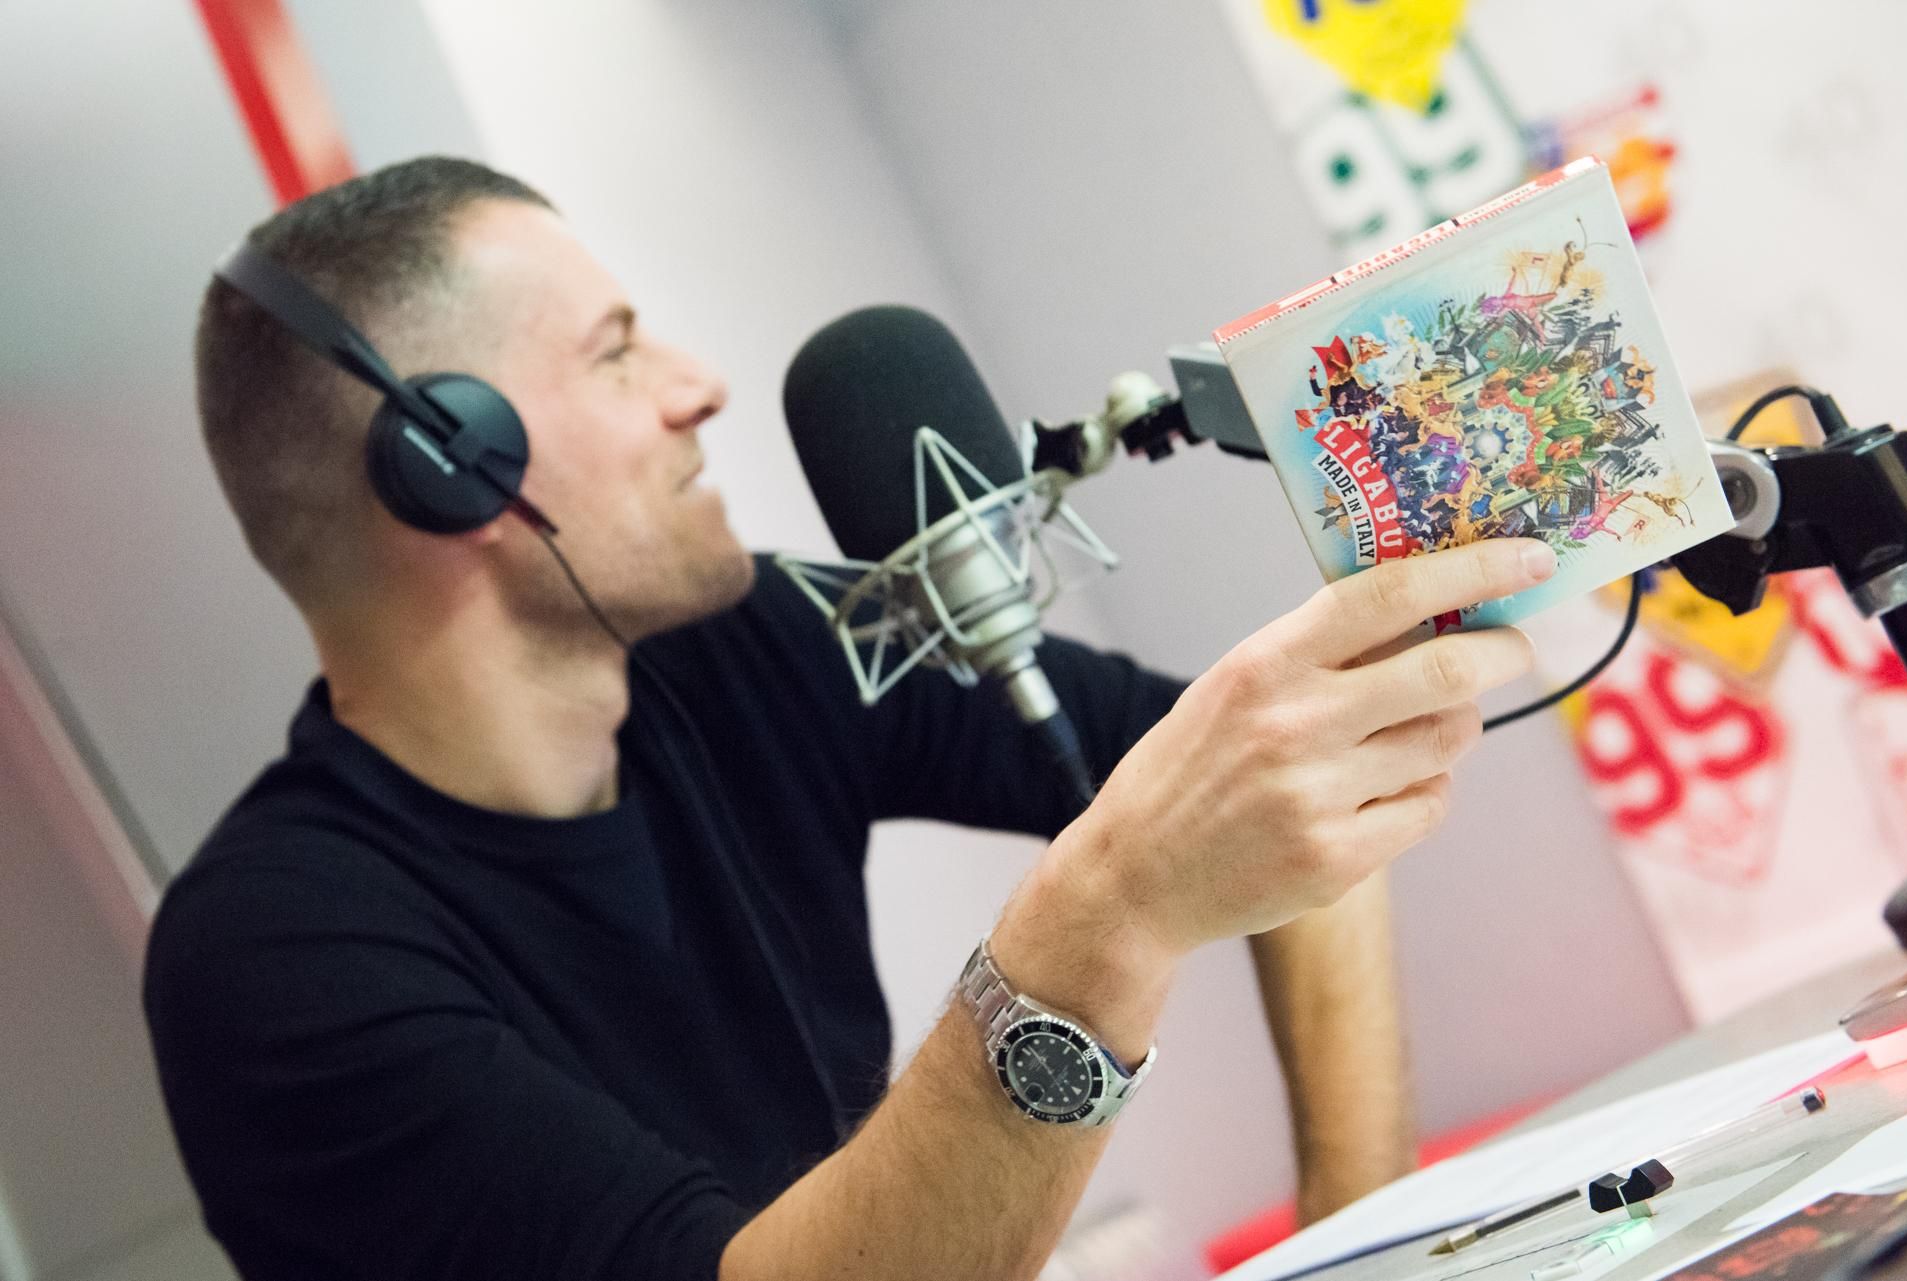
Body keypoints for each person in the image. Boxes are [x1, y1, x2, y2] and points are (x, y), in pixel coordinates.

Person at [143, 156, 1548, 1281]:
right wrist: (1105, 914)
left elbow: (1271, 796)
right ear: (450, 460)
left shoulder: (751, 645)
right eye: (617, 353)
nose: (699, 386)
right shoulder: (274, 964)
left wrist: (1354, 1235)